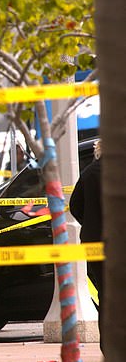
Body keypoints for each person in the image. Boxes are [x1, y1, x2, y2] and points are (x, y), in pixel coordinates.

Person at [69, 138, 103, 350]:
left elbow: (74, 205)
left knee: (105, 295)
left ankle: (108, 347)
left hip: (94, 243)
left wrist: (89, 223)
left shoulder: (89, 173)